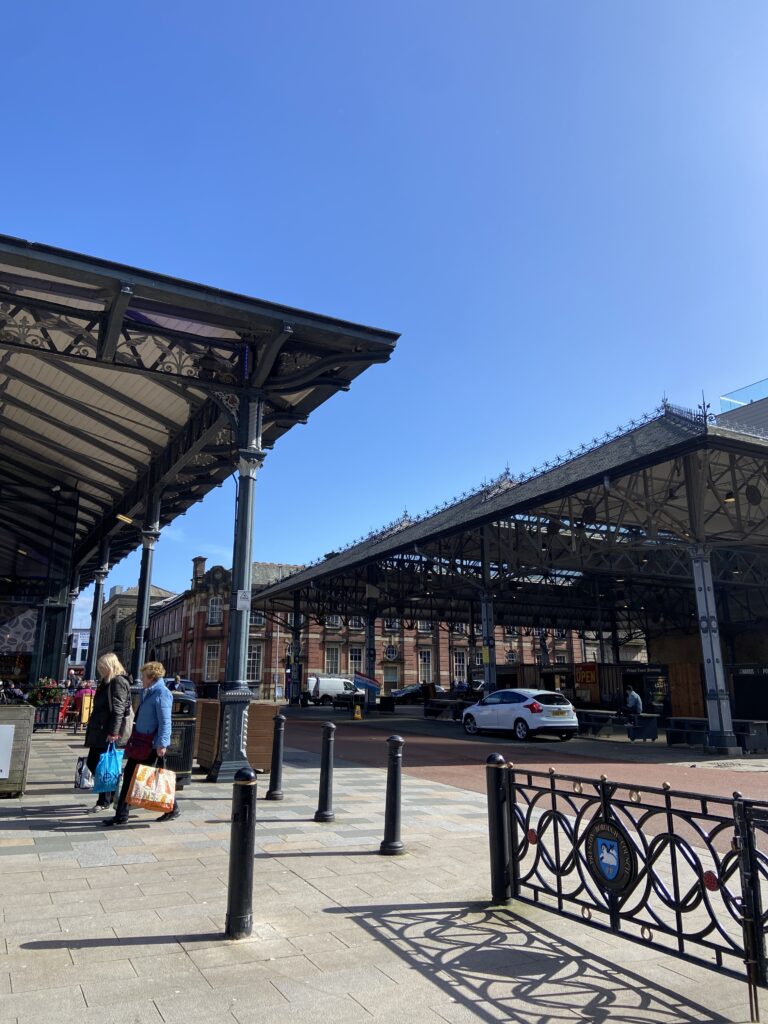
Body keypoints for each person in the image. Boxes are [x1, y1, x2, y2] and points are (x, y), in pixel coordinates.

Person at [106, 660, 179, 827]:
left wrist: (162, 744)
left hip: (151, 744)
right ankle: (122, 814)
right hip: (141, 742)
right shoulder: (148, 691)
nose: (141, 678)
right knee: (132, 775)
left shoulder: (162, 693)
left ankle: (171, 807)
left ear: (151, 677)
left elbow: (165, 722)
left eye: (143, 675)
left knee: (154, 778)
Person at [83, 654, 131, 812]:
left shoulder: (118, 682)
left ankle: (105, 800)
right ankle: (108, 796)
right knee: (94, 762)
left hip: (108, 731)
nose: (99, 669)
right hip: (100, 729)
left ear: (109, 666)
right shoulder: (106, 682)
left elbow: (118, 709)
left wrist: (113, 732)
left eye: (102, 666)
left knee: (102, 764)